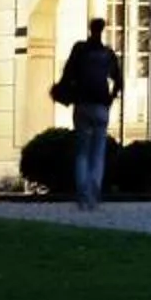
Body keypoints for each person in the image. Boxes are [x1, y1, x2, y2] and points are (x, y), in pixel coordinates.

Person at [60, 16, 125, 209]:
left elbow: (68, 73)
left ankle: (82, 193)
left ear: (90, 29)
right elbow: (119, 80)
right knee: (98, 152)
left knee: (82, 151)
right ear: (103, 30)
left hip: (82, 104)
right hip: (101, 106)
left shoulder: (79, 50)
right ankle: (94, 191)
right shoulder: (107, 54)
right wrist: (111, 98)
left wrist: (67, 92)